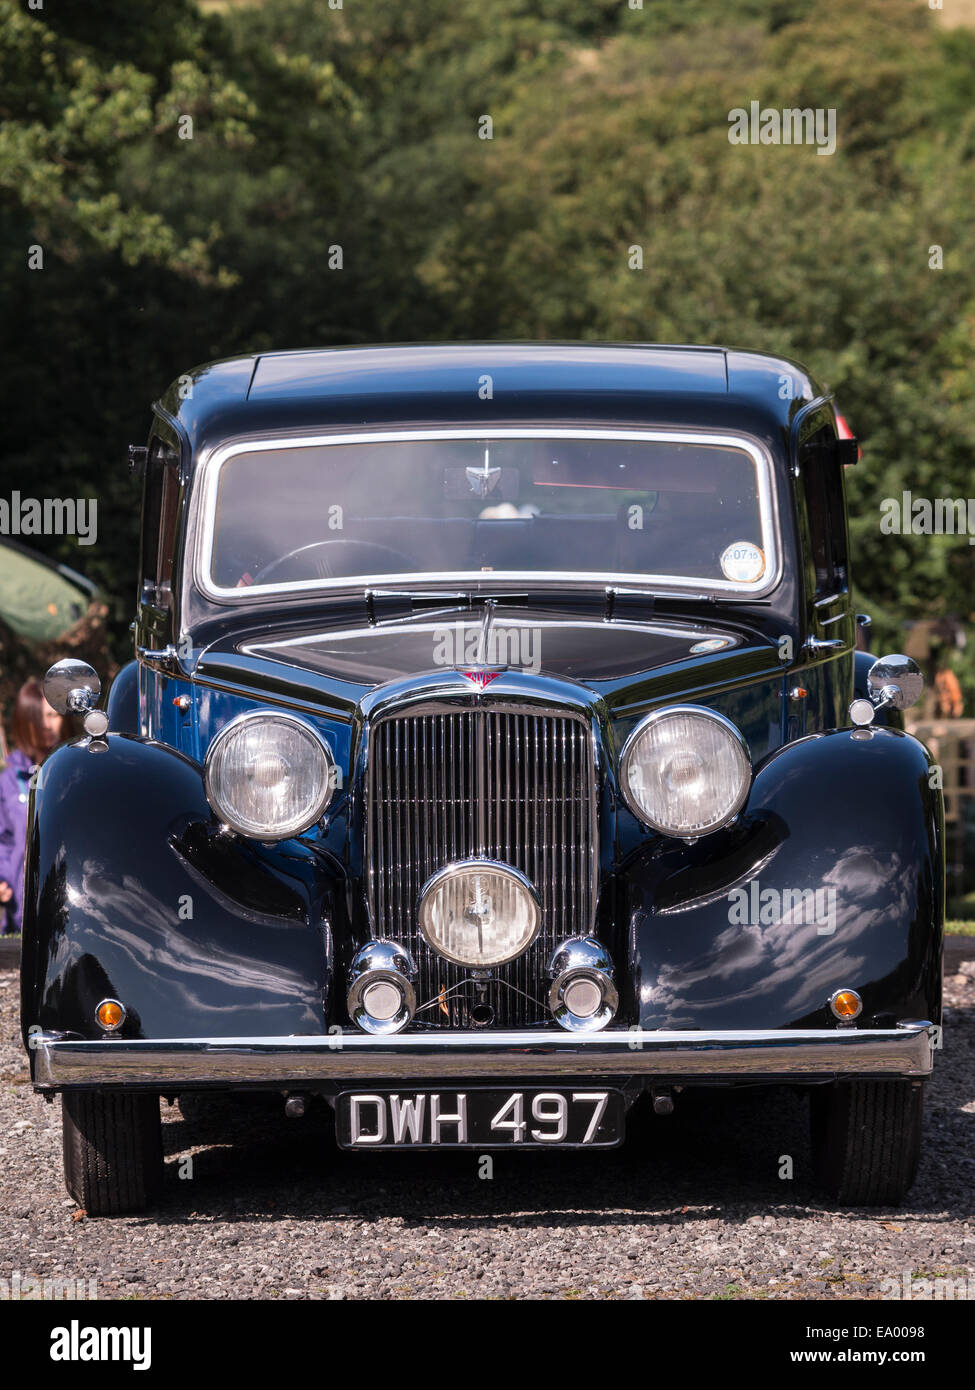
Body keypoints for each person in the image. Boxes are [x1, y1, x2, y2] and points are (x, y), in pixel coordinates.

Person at [0, 679, 65, 934]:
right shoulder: (7, 781)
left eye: (52, 715)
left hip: (64, 909)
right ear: (24, 721)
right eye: (39, 717)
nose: (47, 725)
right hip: (18, 915)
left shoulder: (71, 773)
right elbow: (3, 840)